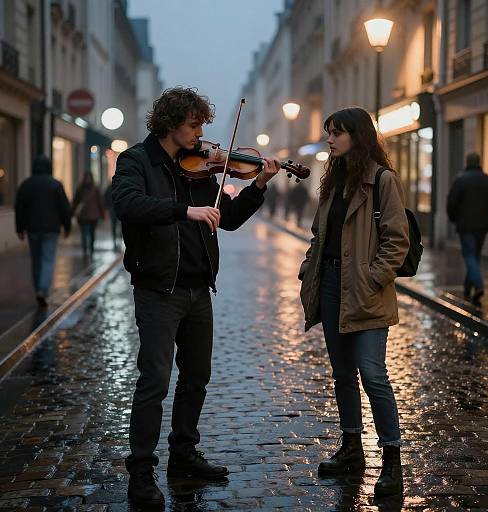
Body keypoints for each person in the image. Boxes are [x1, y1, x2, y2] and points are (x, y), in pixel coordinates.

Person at [112, 87, 279, 508]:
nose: (200, 133)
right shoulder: (137, 161)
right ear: (169, 123)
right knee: (154, 380)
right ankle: (142, 471)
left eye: (202, 124)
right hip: (158, 288)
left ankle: (183, 455)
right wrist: (183, 211)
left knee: (196, 377)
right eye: (193, 125)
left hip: (198, 287)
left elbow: (230, 219)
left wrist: (258, 184)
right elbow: (128, 203)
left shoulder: (202, 170)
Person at [298, 107, 409, 497]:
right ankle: (351, 448)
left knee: (373, 374)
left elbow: (397, 240)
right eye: (329, 133)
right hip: (330, 285)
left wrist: (372, 279)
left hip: (365, 291)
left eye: (337, 133)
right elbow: (320, 233)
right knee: (342, 373)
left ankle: (392, 461)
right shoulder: (335, 181)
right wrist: (310, 268)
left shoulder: (382, 180)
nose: (330, 139)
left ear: (357, 136)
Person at [15, 155, 72, 307]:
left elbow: (19, 208)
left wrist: (19, 229)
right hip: (51, 229)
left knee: (36, 260)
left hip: (32, 228)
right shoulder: (55, 185)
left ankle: (38, 289)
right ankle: (43, 289)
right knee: (47, 259)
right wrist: (67, 227)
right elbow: (64, 208)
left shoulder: (26, 185)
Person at [447, 152, 488, 306]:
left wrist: (454, 218)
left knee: (470, 255)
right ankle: (467, 287)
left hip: (465, 225)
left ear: (467, 162)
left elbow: (451, 203)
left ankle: (478, 285)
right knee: (474, 255)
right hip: (482, 226)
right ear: (479, 162)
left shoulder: (460, 180)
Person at [72, 171, 104, 259]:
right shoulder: (80, 189)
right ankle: (85, 250)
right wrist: (73, 213)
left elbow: (100, 202)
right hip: (83, 216)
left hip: (93, 217)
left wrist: (102, 214)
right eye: (86, 178)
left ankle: (91, 249)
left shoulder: (95, 189)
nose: (87, 180)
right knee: (84, 233)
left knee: (91, 233)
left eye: (89, 178)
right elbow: (75, 202)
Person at [104, 180, 120, 250]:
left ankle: (116, 242)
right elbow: (105, 199)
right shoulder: (118, 187)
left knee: (115, 227)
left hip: (114, 210)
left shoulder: (109, 188)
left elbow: (105, 199)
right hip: (115, 210)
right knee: (118, 227)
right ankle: (116, 242)